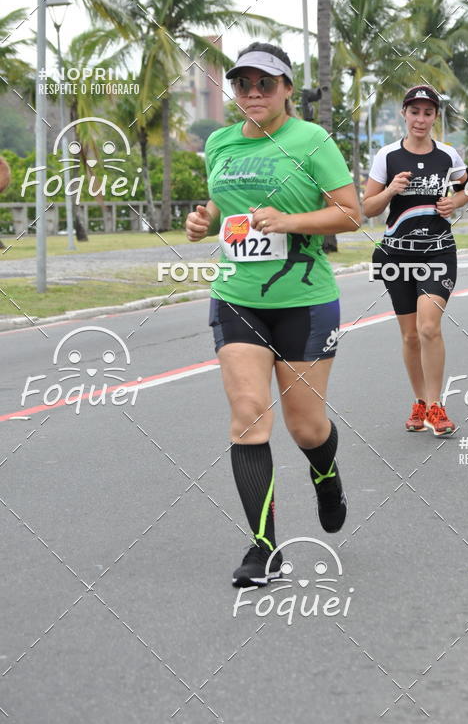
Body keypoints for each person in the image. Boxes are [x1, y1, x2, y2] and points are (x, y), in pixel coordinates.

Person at [185, 42, 360, 588]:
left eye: (265, 84)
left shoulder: (311, 141)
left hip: (304, 301)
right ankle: (265, 549)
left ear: (287, 88)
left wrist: (289, 221)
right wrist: (203, 218)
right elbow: (223, 205)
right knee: (248, 415)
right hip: (238, 295)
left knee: (305, 426)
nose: (253, 94)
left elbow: (351, 214)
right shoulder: (219, 143)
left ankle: (325, 474)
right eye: (243, 85)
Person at [363, 85, 468, 437]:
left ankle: (437, 405)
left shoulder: (448, 156)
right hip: (397, 255)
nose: (420, 119)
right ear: (404, 115)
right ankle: (420, 402)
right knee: (410, 336)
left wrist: (456, 202)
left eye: (428, 113)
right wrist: (391, 190)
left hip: (438, 251)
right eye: (415, 112)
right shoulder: (388, 156)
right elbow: (367, 208)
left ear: (435, 117)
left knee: (429, 326)